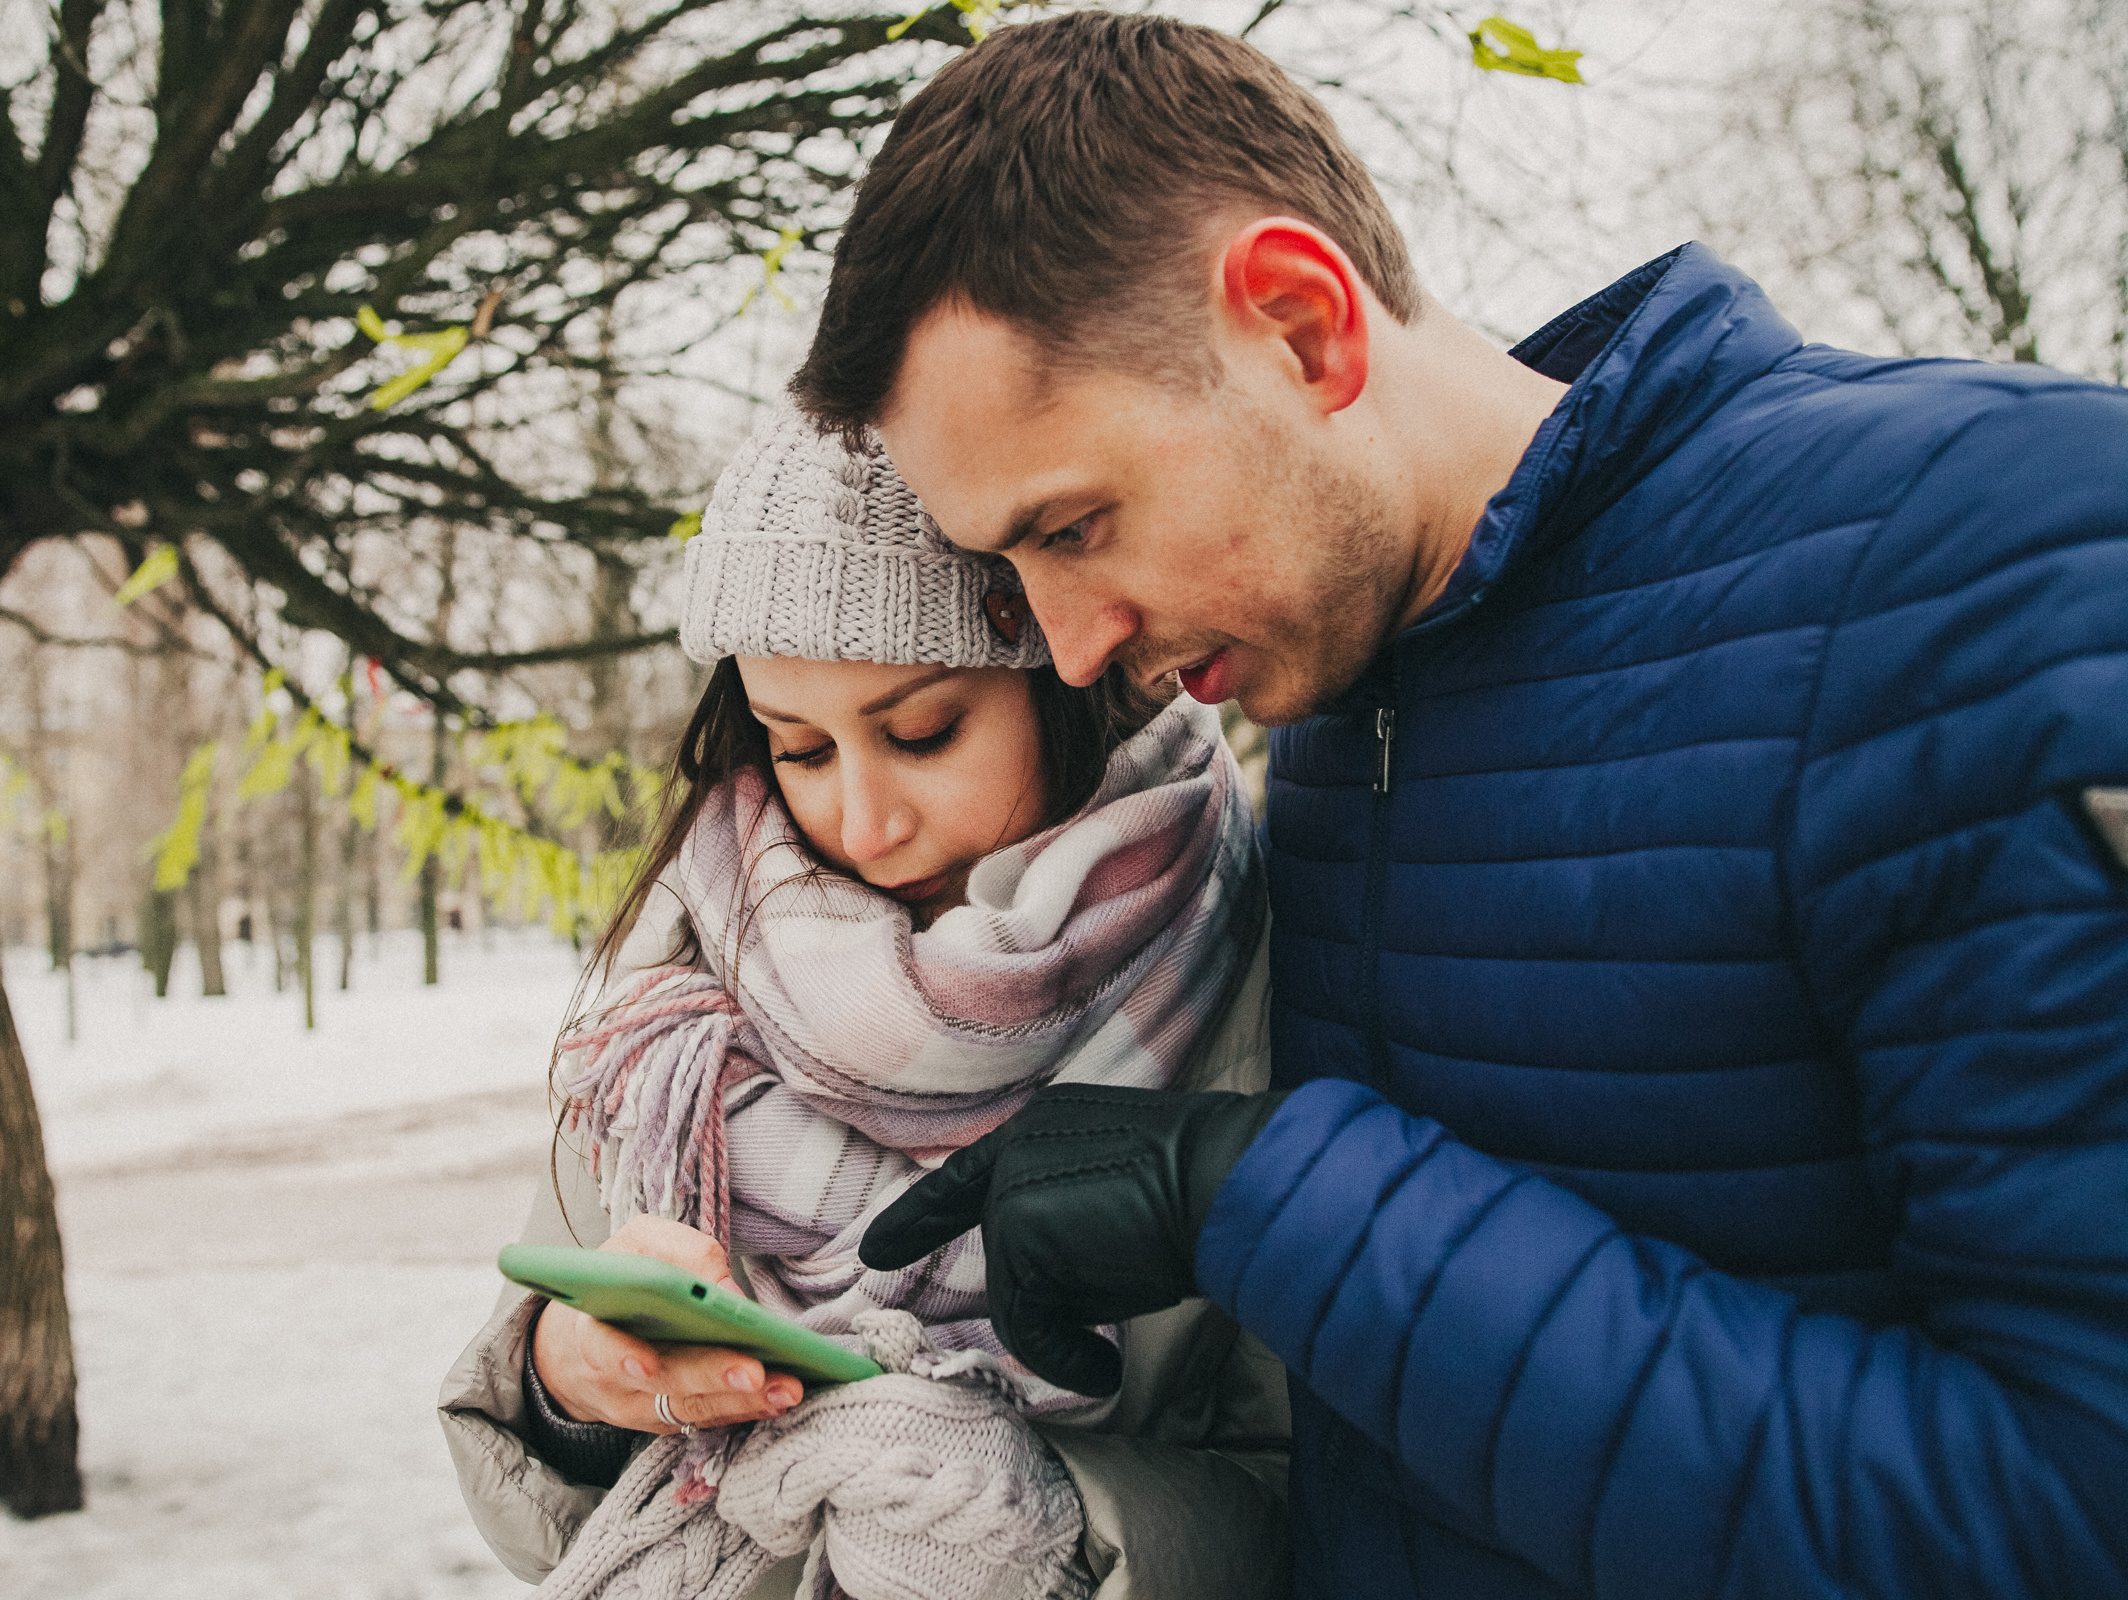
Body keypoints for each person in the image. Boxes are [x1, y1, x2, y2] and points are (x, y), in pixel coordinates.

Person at [796, 13, 2128, 1600]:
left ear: (1301, 327)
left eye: (1074, 527)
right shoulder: (1330, 682)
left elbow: (2074, 1514)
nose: (1075, 646)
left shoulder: (1990, 557)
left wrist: (1269, 1199)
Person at [439, 410, 1293, 1600]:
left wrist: (1052, 1519)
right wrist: (568, 1385)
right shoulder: (681, 995)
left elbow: (1313, 1496)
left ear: (1066, 679)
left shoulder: (1254, 956)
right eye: (799, 749)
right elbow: (542, 1507)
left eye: (923, 732)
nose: (864, 823)